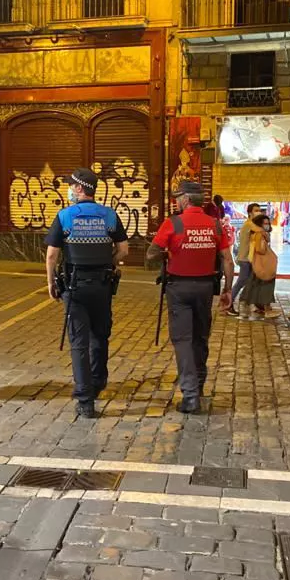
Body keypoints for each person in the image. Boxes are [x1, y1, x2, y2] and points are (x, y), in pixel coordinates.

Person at [45, 168, 129, 418]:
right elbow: (124, 249)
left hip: (74, 286)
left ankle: (85, 399)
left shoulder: (65, 216)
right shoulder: (109, 215)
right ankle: (98, 381)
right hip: (102, 285)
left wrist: (50, 283)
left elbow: (51, 255)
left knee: (79, 342)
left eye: (71, 186)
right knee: (100, 335)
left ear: (80, 189)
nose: (69, 190)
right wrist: (108, 263)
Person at [147, 181, 235, 414]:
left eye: (178, 197)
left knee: (183, 340)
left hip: (179, 288)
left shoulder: (173, 223)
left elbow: (151, 254)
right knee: (200, 337)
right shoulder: (215, 224)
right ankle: (200, 384)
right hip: (205, 288)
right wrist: (228, 289)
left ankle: (190, 395)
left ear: (185, 199)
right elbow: (228, 260)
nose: (176, 201)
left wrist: (168, 253)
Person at [240, 215, 279, 320]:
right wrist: (264, 240)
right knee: (266, 284)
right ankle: (267, 309)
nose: (267, 225)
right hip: (262, 263)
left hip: (259, 263)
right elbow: (260, 249)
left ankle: (254, 304)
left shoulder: (258, 233)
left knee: (255, 284)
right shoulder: (260, 234)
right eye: (265, 223)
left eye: (268, 223)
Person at [227, 203, 261, 316]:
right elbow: (264, 230)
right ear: (250, 213)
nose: (258, 212)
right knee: (241, 281)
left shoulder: (251, 224)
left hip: (248, 258)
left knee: (250, 281)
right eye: (256, 210)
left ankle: (249, 302)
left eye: (259, 210)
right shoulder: (249, 224)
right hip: (245, 258)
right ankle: (228, 304)